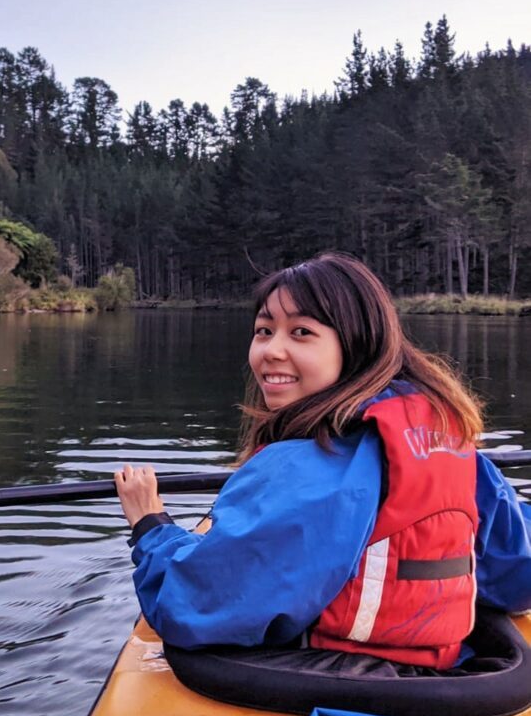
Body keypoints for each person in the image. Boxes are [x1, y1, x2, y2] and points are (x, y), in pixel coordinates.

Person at [115, 252, 531, 669]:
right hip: (438, 674)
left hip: (334, 679)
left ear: (356, 345)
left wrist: (151, 526)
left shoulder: (304, 471)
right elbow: (515, 577)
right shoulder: (451, 443)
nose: (271, 350)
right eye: (264, 331)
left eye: (301, 332)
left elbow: (190, 606)